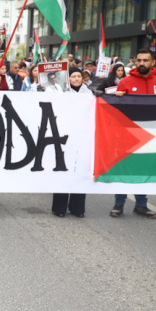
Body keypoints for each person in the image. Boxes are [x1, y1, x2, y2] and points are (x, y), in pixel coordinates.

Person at [110, 48, 156, 219]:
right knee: (125, 169)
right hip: (129, 134)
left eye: (145, 60)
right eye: (138, 60)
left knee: (145, 168)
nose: (141, 64)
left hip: (151, 134)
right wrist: (117, 97)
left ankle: (141, 204)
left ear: (153, 63)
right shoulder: (125, 82)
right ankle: (119, 203)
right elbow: (116, 109)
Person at [51, 68, 90, 217]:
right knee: (63, 170)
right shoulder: (61, 93)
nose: (76, 79)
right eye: (73, 76)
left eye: (79, 76)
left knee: (80, 172)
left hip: (83, 137)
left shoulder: (89, 94)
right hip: (64, 135)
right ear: (68, 79)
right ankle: (59, 208)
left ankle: (77, 208)